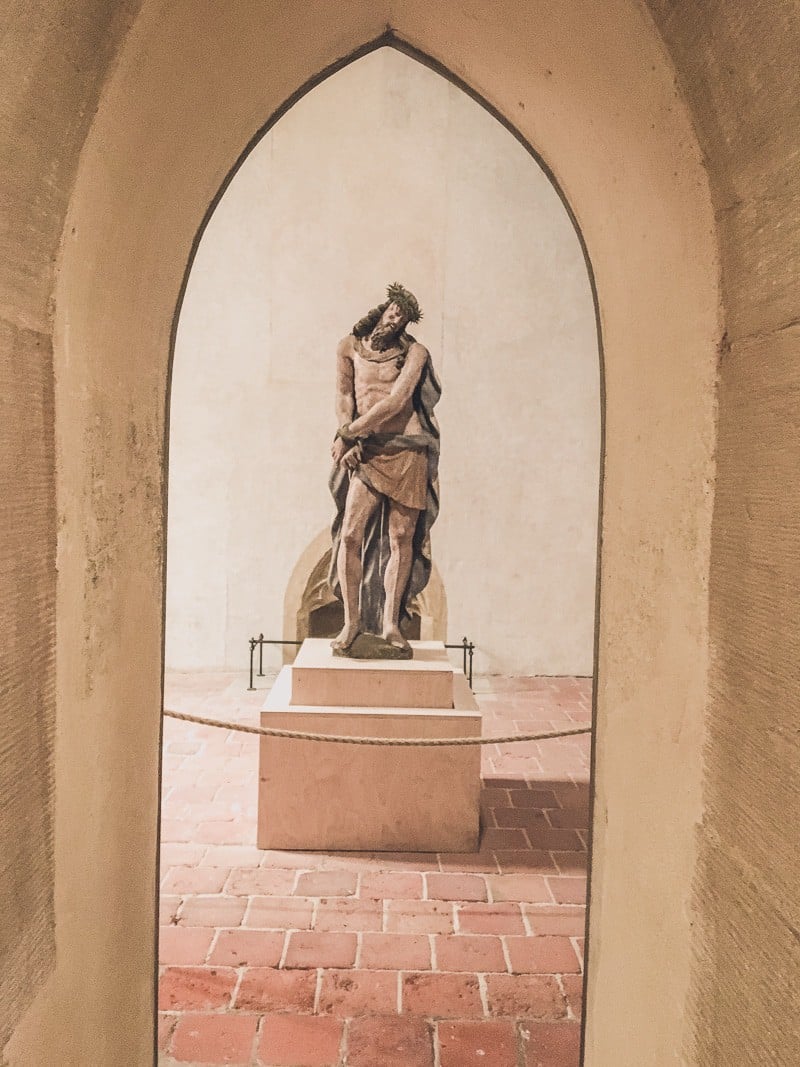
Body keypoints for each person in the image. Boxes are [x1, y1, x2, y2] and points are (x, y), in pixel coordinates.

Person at [328, 283, 441, 656]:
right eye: (393, 310)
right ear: (383, 307)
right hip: (369, 451)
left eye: (403, 317)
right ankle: (352, 623)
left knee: (400, 537)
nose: (395, 319)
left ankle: (391, 624)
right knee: (349, 534)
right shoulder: (349, 346)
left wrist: (348, 434)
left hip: (407, 449)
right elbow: (345, 395)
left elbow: (395, 402)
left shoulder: (415, 353)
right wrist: (351, 436)